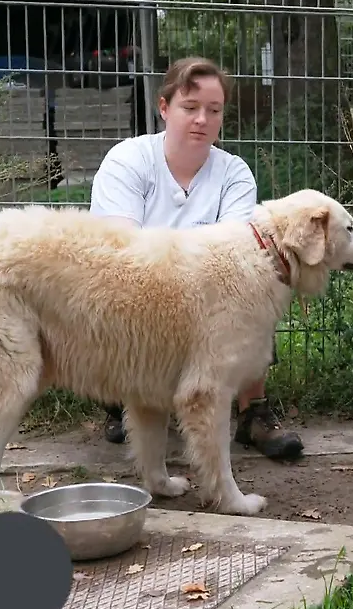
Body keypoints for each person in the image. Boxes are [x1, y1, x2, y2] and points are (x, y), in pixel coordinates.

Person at [87, 55, 304, 461]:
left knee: (252, 287)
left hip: (207, 298)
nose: (202, 119)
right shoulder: (127, 161)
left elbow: (240, 258)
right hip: (141, 295)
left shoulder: (234, 173)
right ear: (164, 107)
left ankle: (253, 412)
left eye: (214, 110)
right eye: (190, 107)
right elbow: (121, 251)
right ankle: (124, 401)